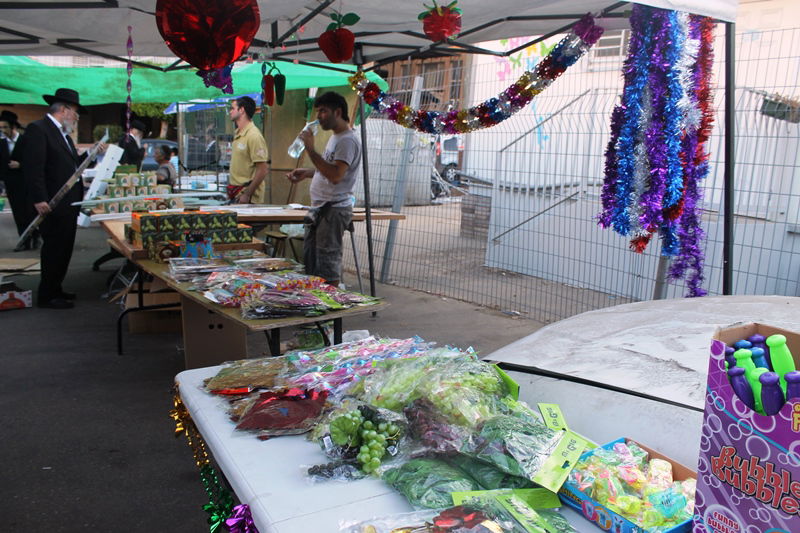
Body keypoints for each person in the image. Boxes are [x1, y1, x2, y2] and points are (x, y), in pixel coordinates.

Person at [22, 88, 105, 309]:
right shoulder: (39, 129)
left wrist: (91, 154)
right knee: (54, 249)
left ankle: (56, 288)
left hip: (67, 203)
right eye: (76, 112)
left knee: (63, 248)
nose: (77, 117)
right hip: (51, 202)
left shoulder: (62, 134)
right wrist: (40, 198)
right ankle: (47, 295)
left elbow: (72, 166)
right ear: (64, 109)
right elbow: (34, 168)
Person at [286, 92, 361, 287]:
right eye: (318, 111)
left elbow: (336, 175)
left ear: (338, 112)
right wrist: (309, 173)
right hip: (321, 208)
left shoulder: (347, 140)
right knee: (312, 262)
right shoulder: (336, 137)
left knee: (327, 265)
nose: (319, 116)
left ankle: (332, 312)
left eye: (323, 111)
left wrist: (310, 149)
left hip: (333, 209)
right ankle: (316, 305)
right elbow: (329, 169)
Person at [0, 110, 38, 249]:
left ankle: (35, 236)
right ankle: (24, 240)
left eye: (5, 127)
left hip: (26, 182)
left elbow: (34, 161)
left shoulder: (25, 141)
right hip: (12, 184)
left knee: (30, 211)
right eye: (0, 128)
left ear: (13, 127)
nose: (2, 131)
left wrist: (21, 165)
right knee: (18, 212)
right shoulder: (2, 144)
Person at [228, 96, 268, 204]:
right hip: (236, 193)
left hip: (248, 197)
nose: (230, 112)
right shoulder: (238, 134)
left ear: (241, 110)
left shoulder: (254, 136)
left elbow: (263, 170)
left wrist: (247, 194)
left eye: (232, 108)